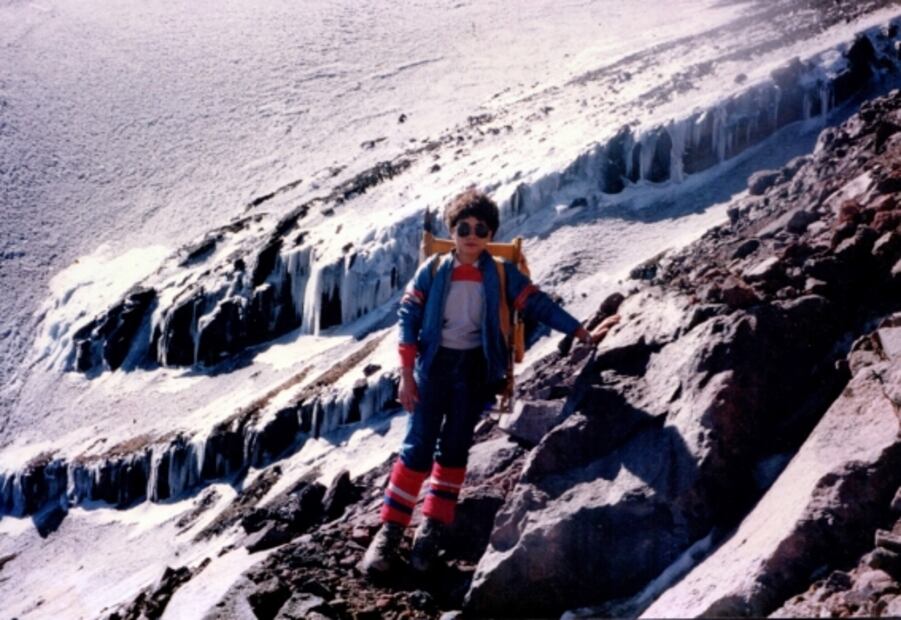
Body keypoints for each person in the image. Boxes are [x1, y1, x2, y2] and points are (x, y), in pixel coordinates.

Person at [361, 188, 620, 575]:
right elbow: (408, 318)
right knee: (417, 447)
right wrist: (406, 375)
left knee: (454, 449)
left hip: (474, 373)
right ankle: (391, 532)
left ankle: (429, 531)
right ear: (452, 231)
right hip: (431, 370)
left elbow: (538, 304)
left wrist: (580, 331)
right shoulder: (431, 270)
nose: (471, 234)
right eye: (463, 227)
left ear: (489, 234)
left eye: (480, 228)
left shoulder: (502, 273)